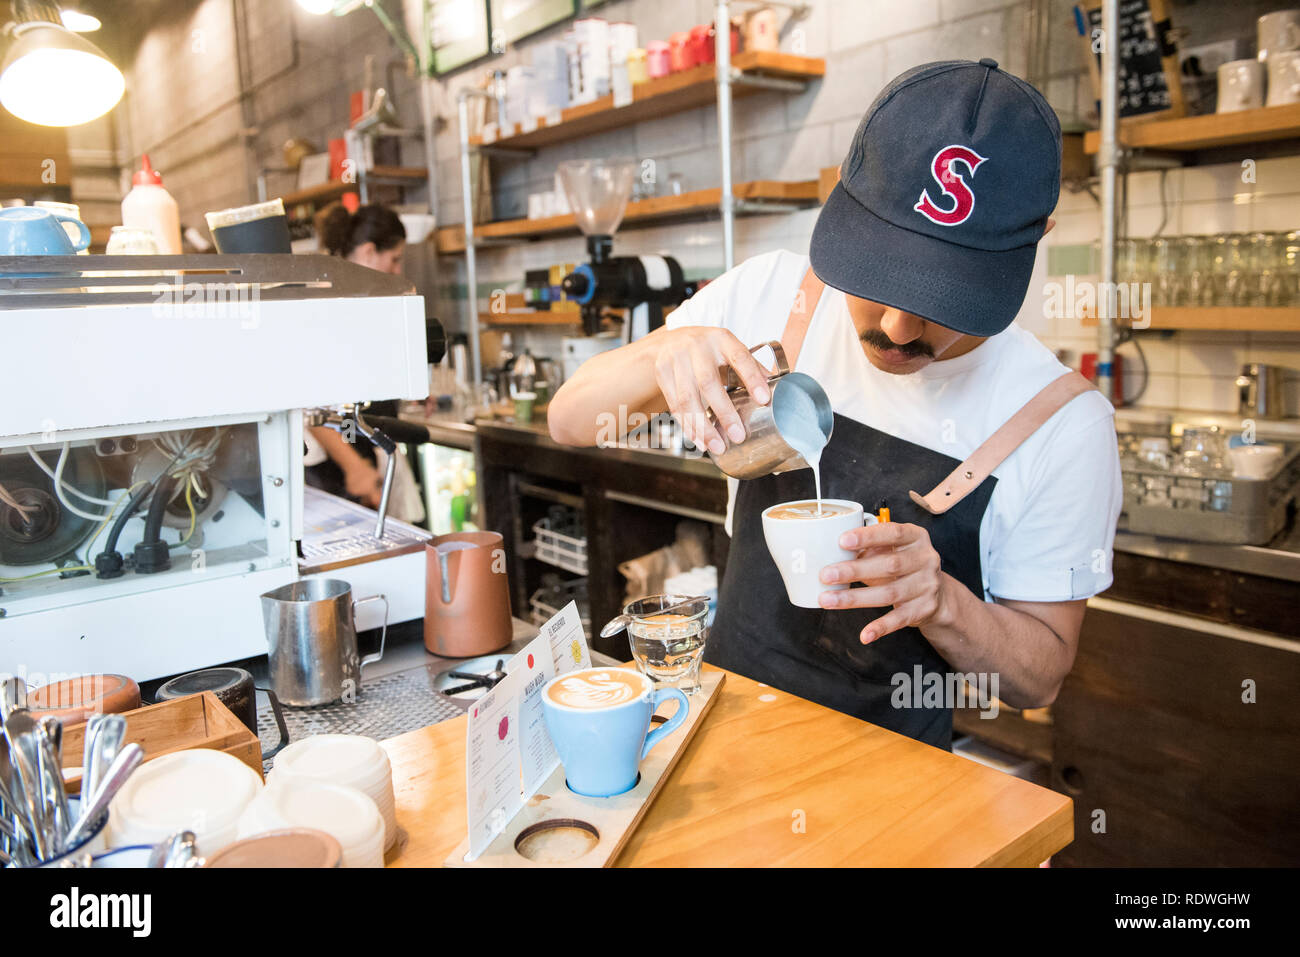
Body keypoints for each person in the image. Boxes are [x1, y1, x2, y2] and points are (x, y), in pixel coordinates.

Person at [547, 59, 1123, 749]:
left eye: (946, 301)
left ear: (1035, 239)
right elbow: (570, 420)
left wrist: (943, 603)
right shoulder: (773, 298)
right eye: (880, 280)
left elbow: (1041, 677)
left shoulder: (1064, 422)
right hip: (724, 740)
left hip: (899, 793)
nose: (899, 330)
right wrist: (660, 354)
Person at [305, 203, 424, 523]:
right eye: (394, 259)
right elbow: (311, 406)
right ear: (370, 252)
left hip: (366, 457)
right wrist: (354, 465)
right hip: (339, 475)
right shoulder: (328, 307)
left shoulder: (358, 304)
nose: (398, 271)